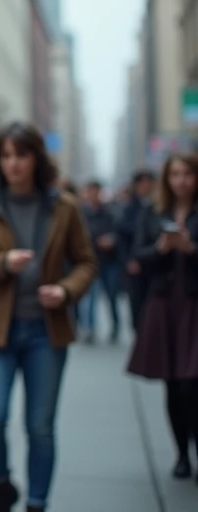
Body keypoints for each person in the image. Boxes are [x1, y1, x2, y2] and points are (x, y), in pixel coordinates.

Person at [0, 123, 96, 512]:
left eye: (21, 155)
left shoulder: (63, 206)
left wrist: (66, 291)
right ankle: (2, 482)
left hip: (45, 332)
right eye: (6, 156)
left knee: (40, 427)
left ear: (36, 158)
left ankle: (37, 502)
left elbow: (86, 262)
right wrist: (2, 263)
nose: (14, 164)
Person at [126, 153, 198, 483]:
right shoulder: (153, 212)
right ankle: (182, 453)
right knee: (173, 383)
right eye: (175, 174)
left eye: (188, 174)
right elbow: (137, 258)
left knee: (191, 384)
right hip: (165, 305)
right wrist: (161, 248)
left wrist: (191, 249)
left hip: (193, 305)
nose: (181, 180)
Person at [77, 180, 122, 343]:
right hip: (92, 261)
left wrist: (112, 240)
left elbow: (118, 232)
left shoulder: (109, 212)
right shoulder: (82, 213)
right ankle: (89, 329)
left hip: (109, 261)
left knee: (112, 297)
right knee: (90, 298)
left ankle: (115, 326)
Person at [121, 170, 157, 332]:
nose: (145, 186)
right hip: (134, 266)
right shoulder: (129, 209)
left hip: (154, 264)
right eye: (142, 183)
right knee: (137, 307)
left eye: (148, 182)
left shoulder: (158, 207)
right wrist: (129, 260)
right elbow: (122, 238)